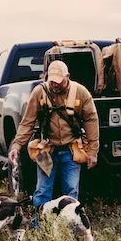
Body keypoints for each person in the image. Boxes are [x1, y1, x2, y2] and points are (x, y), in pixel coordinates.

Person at [9, 59, 99, 207]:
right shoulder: (40, 92)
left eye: (59, 81)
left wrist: (93, 152)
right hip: (47, 150)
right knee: (42, 190)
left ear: (67, 76)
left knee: (71, 191)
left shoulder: (81, 93)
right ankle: (40, 224)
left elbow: (91, 120)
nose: (55, 85)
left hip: (72, 150)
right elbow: (27, 122)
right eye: (52, 81)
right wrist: (16, 146)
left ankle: (69, 226)